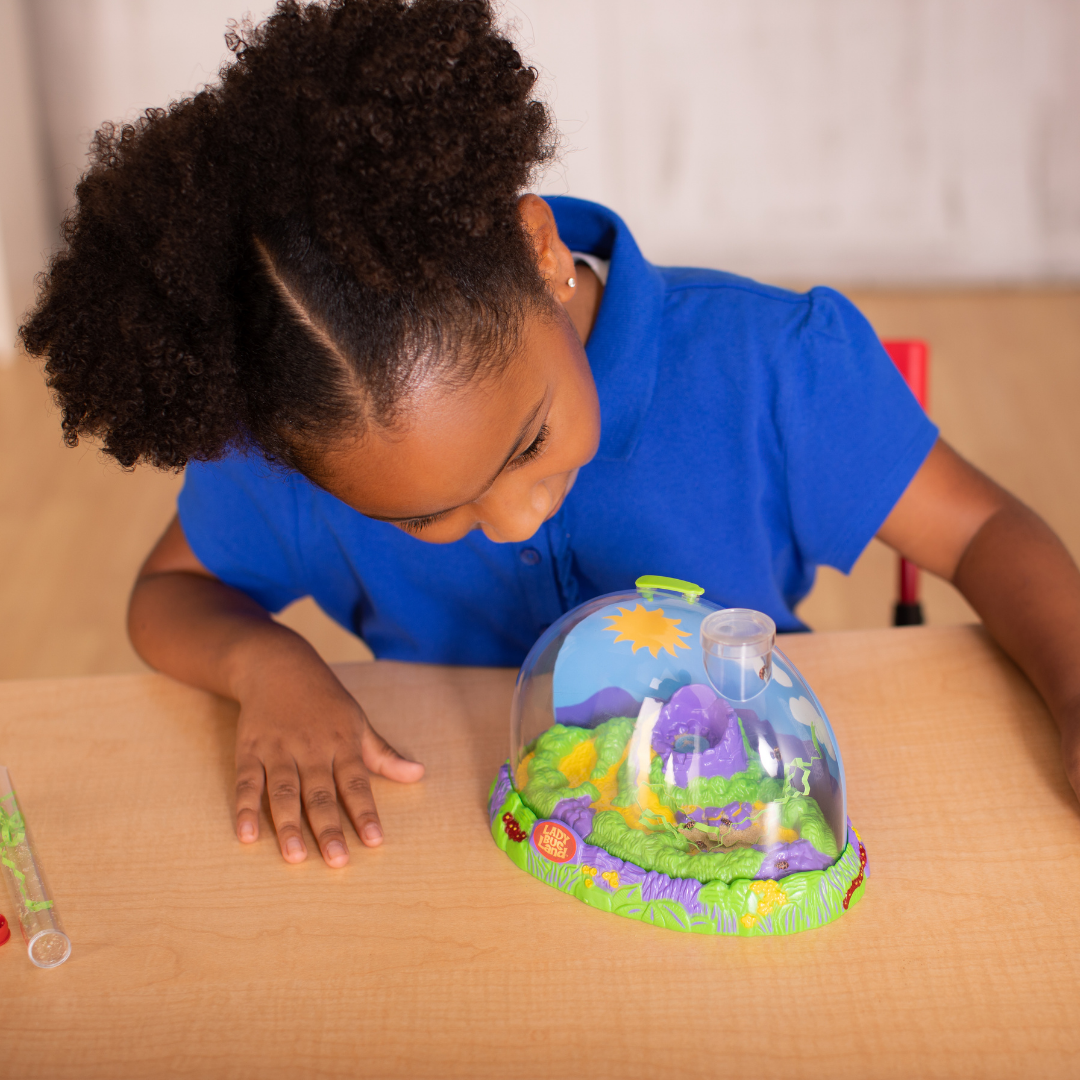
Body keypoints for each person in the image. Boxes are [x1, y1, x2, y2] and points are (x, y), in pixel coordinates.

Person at [20, 0, 1080, 870]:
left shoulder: (770, 367)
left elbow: (983, 527)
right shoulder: (298, 459)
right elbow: (166, 598)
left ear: (539, 252)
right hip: (473, 863)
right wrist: (268, 666)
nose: (515, 513)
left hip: (754, 834)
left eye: (526, 443)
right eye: (431, 514)